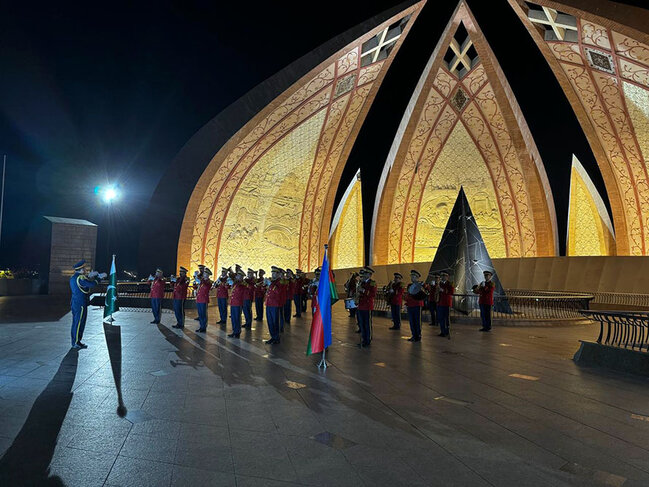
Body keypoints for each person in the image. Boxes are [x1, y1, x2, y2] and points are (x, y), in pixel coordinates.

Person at [69, 260, 105, 349]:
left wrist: (89, 276)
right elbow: (90, 284)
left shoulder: (74, 277)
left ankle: (76, 341)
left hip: (75, 302)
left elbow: (82, 284)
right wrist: (99, 278)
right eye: (84, 268)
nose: (85, 270)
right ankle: (76, 342)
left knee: (76, 322)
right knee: (79, 323)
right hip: (80, 303)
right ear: (81, 269)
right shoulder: (80, 278)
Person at [356, 267, 377, 348]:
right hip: (360, 305)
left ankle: (368, 340)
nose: (364, 275)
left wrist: (363, 290)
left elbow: (373, 294)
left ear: (370, 275)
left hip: (367, 306)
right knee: (362, 324)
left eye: (366, 274)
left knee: (367, 324)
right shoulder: (361, 282)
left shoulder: (372, 283)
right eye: (364, 273)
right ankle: (364, 339)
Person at [264, 266, 283, 344]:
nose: (272, 274)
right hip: (269, 303)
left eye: (274, 273)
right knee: (270, 321)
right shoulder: (273, 282)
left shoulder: (280, 282)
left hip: (275, 304)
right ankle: (273, 337)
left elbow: (278, 292)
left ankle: (276, 338)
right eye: (272, 273)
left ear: (278, 274)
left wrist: (270, 284)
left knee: (275, 321)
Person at [404, 270, 425, 342]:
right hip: (410, 306)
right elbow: (408, 296)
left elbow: (425, 294)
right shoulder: (409, 285)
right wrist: (406, 304)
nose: (412, 278)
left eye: (414, 276)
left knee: (417, 321)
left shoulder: (421, 285)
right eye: (411, 276)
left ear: (417, 277)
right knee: (412, 321)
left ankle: (418, 336)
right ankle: (413, 335)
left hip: (417, 305)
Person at [228, 270, 247, 338]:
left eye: (238, 276)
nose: (236, 277)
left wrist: (234, 282)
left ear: (241, 277)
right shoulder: (236, 283)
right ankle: (234, 331)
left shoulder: (242, 284)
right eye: (237, 276)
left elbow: (241, 290)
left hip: (238, 303)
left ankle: (237, 332)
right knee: (233, 318)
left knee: (237, 318)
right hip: (233, 303)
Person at [437, 271, 454, 338]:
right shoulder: (439, 283)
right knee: (441, 318)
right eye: (442, 276)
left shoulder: (450, 284)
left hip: (446, 303)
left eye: (445, 276)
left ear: (447, 277)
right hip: (440, 303)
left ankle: (447, 331)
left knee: (446, 318)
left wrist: (442, 290)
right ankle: (442, 331)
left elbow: (451, 292)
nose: (443, 277)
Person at [195, 268, 212, 332]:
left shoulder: (208, 282)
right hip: (199, 299)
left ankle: (203, 327)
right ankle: (201, 326)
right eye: (204, 273)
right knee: (200, 314)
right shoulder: (202, 281)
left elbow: (206, 287)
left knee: (203, 314)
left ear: (207, 275)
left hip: (204, 300)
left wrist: (201, 281)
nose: (203, 274)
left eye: (205, 273)